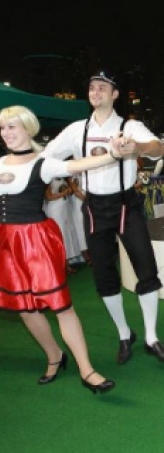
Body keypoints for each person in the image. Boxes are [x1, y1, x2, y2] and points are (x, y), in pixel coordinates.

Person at [41, 69, 164, 365]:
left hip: (127, 204)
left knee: (146, 268)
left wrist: (137, 147)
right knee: (103, 275)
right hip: (94, 207)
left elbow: (158, 149)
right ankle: (125, 334)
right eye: (92, 87)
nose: (96, 91)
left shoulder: (131, 125)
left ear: (115, 94)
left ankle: (152, 338)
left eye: (103, 87)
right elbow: (47, 157)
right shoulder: (77, 129)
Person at [0, 105, 133, 393]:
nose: (5, 133)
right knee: (25, 309)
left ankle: (87, 370)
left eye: (11, 126)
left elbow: (75, 166)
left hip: (35, 241)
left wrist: (112, 155)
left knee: (61, 307)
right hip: (7, 244)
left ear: (27, 128)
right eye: (2, 127)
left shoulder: (43, 162)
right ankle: (54, 356)